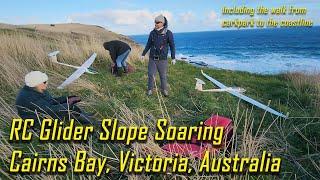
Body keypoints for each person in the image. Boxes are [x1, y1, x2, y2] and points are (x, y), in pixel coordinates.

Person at [15, 71, 95, 127]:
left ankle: (86, 116)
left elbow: (50, 101)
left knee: (69, 104)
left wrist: (67, 99)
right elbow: (48, 110)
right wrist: (68, 105)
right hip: (37, 121)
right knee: (69, 109)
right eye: (44, 82)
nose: (47, 83)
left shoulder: (37, 89)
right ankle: (92, 122)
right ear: (36, 83)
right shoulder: (28, 97)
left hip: (44, 113)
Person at [141, 14, 176, 97]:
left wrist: (173, 57)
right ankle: (150, 89)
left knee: (163, 75)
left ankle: (164, 90)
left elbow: (172, 46)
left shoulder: (168, 33)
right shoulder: (152, 33)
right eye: (155, 22)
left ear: (162, 23)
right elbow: (148, 44)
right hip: (152, 58)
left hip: (162, 59)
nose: (155, 24)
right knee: (151, 75)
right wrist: (143, 54)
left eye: (157, 22)